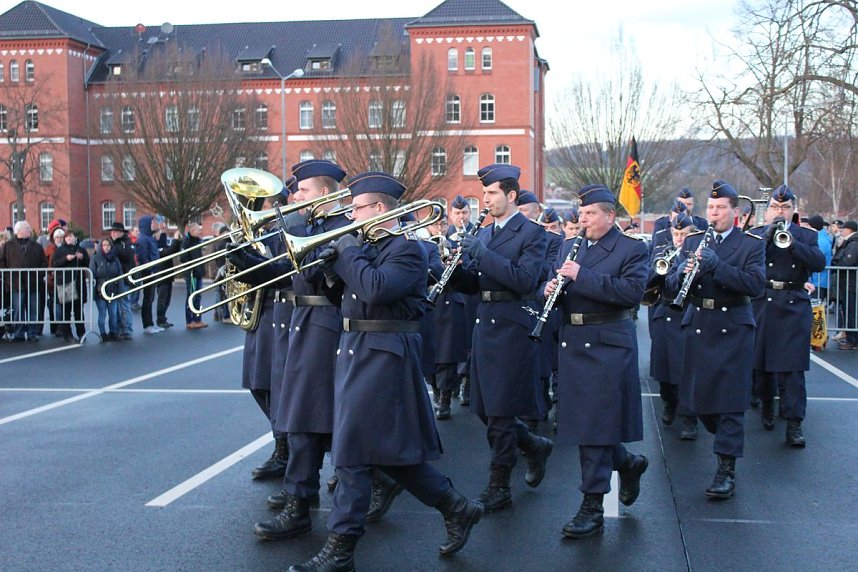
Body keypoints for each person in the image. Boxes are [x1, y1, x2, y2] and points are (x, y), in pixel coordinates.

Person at [287, 171, 482, 571]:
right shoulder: (366, 245)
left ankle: (341, 547)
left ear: (379, 209)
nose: (350, 215)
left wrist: (346, 251)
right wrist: (328, 270)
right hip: (355, 348)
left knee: (351, 453)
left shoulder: (406, 249)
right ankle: (456, 506)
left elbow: (375, 289)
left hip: (385, 353)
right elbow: (345, 297)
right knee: (388, 454)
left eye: (357, 208)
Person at [544, 184, 649, 538]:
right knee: (589, 424)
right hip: (573, 342)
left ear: (610, 216)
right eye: (581, 214)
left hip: (608, 343)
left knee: (594, 427)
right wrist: (549, 290)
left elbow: (631, 292)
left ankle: (592, 505)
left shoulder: (631, 248)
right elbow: (563, 288)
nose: (582, 220)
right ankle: (628, 464)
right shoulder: (567, 246)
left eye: (589, 214)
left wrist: (580, 276)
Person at [252, 160, 350, 540]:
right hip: (300, 325)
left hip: (324, 326)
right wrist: (243, 261)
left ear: (324, 194)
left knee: (307, 421)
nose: (294, 197)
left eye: (303, 191)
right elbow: (279, 274)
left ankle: (301, 502)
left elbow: (312, 274)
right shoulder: (309, 227)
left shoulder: (340, 228)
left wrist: (290, 229)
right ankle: (301, 499)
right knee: (302, 420)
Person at [450, 164, 553, 513]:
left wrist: (483, 255)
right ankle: (533, 445)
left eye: (492, 193)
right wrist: (450, 274)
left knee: (500, 412)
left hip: (511, 325)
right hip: (485, 323)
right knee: (482, 407)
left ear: (511, 195)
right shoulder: (487, 232)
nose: (486, 199)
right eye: (484, 193)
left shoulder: (531, 233)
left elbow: (525, 280)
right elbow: (476, 281)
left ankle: (499, 483)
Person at [666, 180, 766, 500]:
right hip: (700, 323)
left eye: (721, 208)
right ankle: (719, 433)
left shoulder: (750, 244)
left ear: (735, 212)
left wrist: (718, 266)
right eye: (711, 208)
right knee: (703, 401)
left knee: (730, 403)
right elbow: (669, 284)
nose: (714, 213)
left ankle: (726, 469)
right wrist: (681, 272)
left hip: (733, 326)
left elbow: (754, 285)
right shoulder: (694, 239)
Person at [749, 186, 825, 446]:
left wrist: (793, 245)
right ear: (768, 209)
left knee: (792, 368)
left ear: (793, 210)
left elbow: (818, 263)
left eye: (785, 207)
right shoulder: (757, 234)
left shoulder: (805, 235)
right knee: (760, 363)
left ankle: (794, 423)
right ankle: (767, 403)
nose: (779, 211)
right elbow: (744, 262)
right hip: (762, 302)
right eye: (775, 207)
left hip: (792, 303)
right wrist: (767, 239)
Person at [647, 212, 700, 438]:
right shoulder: (662, 252)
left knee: (687, 370)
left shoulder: (696, 254)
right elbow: (649, 281)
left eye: (684, 234)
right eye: (676, 233)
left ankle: (690, 417)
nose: (679, 238)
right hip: (665, 311)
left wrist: (682, 270)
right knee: (663, 367)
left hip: (687, 313)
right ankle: (669, 401)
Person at [446, 194, 477, 405]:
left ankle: (468, 381)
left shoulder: (478, 234)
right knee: (451, 343)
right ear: (451, 214)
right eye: (457, 213)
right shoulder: (444, 236)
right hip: (451, 298)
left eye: (464, 212)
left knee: (470, 340)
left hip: (471, 295)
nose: (461, 217)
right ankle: (452, 385)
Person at [0, 221, 47, 341]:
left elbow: (44, 263)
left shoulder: (37, 246)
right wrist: (7, 276)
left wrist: (39, 275)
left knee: (33, 309)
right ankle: (19, 333)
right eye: (27, 228)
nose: (30, 230)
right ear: (19, 231)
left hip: (33, 283)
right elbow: (2, 261)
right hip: (16, 283)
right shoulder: (8, 246)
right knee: (18, 309)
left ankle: (32, 333)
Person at [51, 230, 90, 341]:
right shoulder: (59, 251)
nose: (68, 238)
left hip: (78, 283)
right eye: (66, 237)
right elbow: (54, 265)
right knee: (66, 311)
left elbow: (88, 263)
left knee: (79, 311)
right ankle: (67, 334)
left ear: (75, 238)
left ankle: (81, 333)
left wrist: (82, 258)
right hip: (65, 284)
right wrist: (65, 259)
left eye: (70, 236)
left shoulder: (81, 250)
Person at [831, 220, 858, 350]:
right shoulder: (850, 242)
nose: (841, 230)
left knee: (851, 311)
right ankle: (851, 338)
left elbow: (847, 261)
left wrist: (837, 263)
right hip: (848, 282)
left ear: (849, 230)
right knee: (849, 310)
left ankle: (853, 340)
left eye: (844, 228)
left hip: (851, 283)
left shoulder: (853, 243)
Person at [90, 237, 122, 341]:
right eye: (104, 245)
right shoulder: (95, 258)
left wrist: (120, 290)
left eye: (108, 245)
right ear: (101, 246)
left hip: (113, 290)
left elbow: (120, 274)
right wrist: (93, 292)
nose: (106, 247)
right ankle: (103, 333)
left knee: (113, 313)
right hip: (100, 290)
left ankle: (113, 332)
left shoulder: (115, 259)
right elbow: (92, 276)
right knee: (102, 313)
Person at [109, 222, 136, 340]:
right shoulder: (111, 243)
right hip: (114, 278)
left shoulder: (126, 244)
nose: (113, 233)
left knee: (124, 304)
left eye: (116, 231)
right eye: (112, 231)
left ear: (121, 233)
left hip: (124, 278)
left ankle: (127, 329)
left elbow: (125, 256)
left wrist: (114, 247)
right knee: (116, 305)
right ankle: (119, 328)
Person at [135, 215, 162, 334]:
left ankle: (151, 323)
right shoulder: (143, 239)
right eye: (152, 222)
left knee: (150, 298)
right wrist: (150, 270)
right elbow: (143, 257)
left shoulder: (149, 238)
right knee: (148, 299)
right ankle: (147, 324)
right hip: (148, 272)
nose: (154, 224)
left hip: (153, 270)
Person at [179, 223, 207, 330]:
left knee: (198, 297)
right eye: (198, 230)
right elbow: (183, 257)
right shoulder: (186, 241)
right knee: (191, 296)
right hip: (191, 273)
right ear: (192, 230)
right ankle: (189, 320)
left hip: (198, 272)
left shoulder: (197, 241)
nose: (200, 232)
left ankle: (198, 319)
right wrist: (192, 267)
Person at [155, 217, 181, 329]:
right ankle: (160, 320)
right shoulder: (156, 246)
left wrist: (164, 232)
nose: (164, 228)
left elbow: (170, 248)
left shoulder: (161, 242)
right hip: (161, 275)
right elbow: (169, 252)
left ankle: (163, 318)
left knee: (167, 299)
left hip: (167, 275)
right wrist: (175, 239)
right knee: (162, 299)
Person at [43, 219, 68, 336]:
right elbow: (45, 262)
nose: (59, 239)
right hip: (53, 282)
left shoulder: (67, 248)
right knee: (54, 305)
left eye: (61, 237)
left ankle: (62, 327)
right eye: (57, 237)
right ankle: (56, 327)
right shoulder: (49, 249)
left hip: (65, 281)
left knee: (63, 305)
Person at [807, 215, 833, 303]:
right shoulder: (823, 238)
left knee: (816, 309)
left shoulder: (821, 241)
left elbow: (814, 258)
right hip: (818, 279)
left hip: (818, 280)